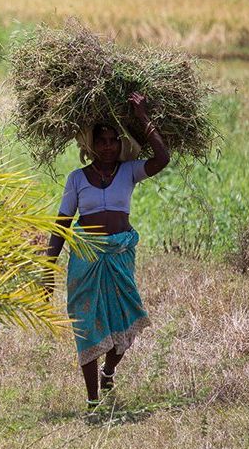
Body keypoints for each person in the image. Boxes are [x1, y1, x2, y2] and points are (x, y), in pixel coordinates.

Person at [45, 92, 170, 410]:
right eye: (101, 141)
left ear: (121, 144)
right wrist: (48, 269)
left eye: (113, 141)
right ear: (91, 145)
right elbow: (62, 224)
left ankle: (110, 370)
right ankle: (92, 400)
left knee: (126, 320)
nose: (108, 147)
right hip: (86, 259)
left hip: (119, 254)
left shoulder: (129, 171)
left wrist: (143, 117)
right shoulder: (76, 179)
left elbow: (163, 158)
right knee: (85, 324)